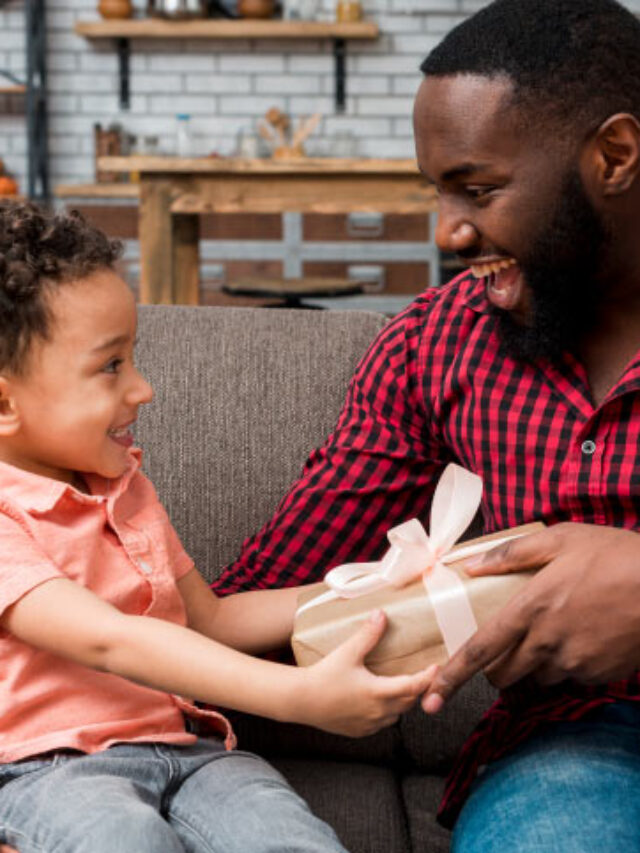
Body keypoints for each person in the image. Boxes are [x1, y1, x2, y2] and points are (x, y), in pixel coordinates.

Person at [213, 0, 640, 849]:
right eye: (438, 191)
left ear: (615, 156)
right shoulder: (437, 344)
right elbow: (263, 599)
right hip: (582, 753)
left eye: (479, 189)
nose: (447, 231)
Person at [0, 200, 433, 853]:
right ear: (5, 401)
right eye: (111, 365)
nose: (143, 388)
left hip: (196, 753)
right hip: (50, 770)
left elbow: (211, 619)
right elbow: (110, 639)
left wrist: (366, 585)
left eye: (134, 357)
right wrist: (299, 695)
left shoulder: (126, 486)